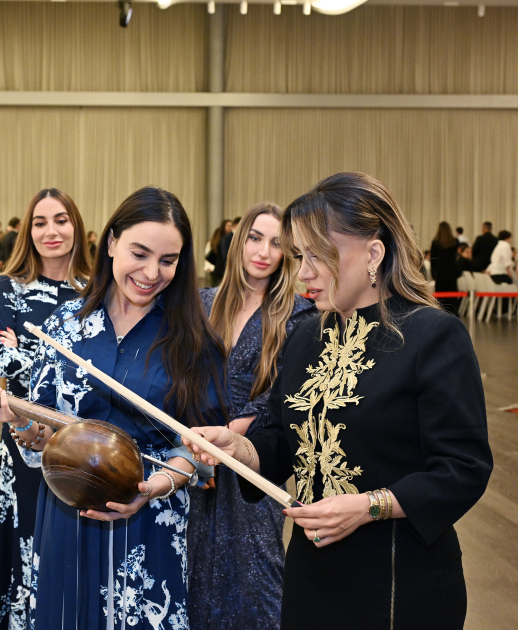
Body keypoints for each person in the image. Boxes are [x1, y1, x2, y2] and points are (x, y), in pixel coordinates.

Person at [183, 172, 493, 630]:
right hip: (312, 571)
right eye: (299, 256)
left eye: (319, 256)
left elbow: (463, 469)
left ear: (373, 253)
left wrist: (369, 506)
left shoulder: (432, 335)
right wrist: (239, 449)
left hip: (397, 577)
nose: (304, 271)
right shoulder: (307, 333)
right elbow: (284, 441)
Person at [0, 186, 227, 630]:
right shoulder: (64, 325)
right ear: (110, 244)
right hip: (67, 515)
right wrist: (18, 420)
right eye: (138, 253)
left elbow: (202, 451)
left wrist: (159, 483)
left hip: (151, 523)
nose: (150, 272)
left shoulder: (193, 341)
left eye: (168, 260)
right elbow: (41, 438)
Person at [188, 202, 316, 630]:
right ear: (239, 242)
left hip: (253, 462)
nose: (263, 251)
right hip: (196, 458)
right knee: (196, 571)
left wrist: (238, 433)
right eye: (255, 238)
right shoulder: (204, 303)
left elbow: (286, 390)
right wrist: (194, 444)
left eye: (277, 243)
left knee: (258, 573)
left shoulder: (298, 313)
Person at [0, 188, 91, 630]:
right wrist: (69, 363)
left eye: (60, 220)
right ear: (28, 231)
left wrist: (31, 351)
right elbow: (1, 362)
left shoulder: (95, 288)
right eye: (40, 223)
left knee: (77, 545)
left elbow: (100, 371)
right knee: (24, 545)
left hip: (81, 436)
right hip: (22, 433)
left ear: (75, 225)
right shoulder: (10, 286)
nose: (51, 231)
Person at [430, 221, 462, 315]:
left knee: (441, 299)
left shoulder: (435, 243)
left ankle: (441, 316)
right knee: (452, 297)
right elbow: (456, 257)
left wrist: (433, 274)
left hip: (440, 273)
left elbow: (433, 260)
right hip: (452, 272)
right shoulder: (455, 242)